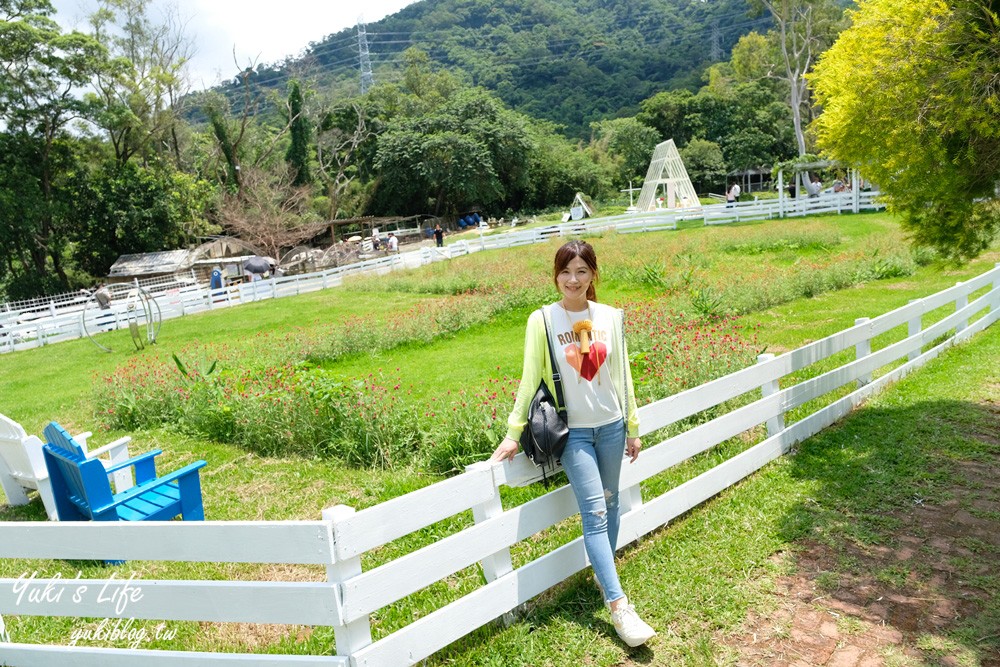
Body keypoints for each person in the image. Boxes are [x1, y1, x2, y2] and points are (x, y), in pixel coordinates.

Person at [491, 240, 656, 648]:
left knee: (612, 502)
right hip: (575, 433)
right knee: (596, 511)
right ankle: (619, 606)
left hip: (613, 425)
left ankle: (604, 579)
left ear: (593, 274)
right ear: (556, 275)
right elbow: (529, 379)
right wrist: (513, 434)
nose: (573, 280)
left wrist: (633, 425)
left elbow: (624, 375)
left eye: (582, 271)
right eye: (566, 271)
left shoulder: (611, 317)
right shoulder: (543, 320)